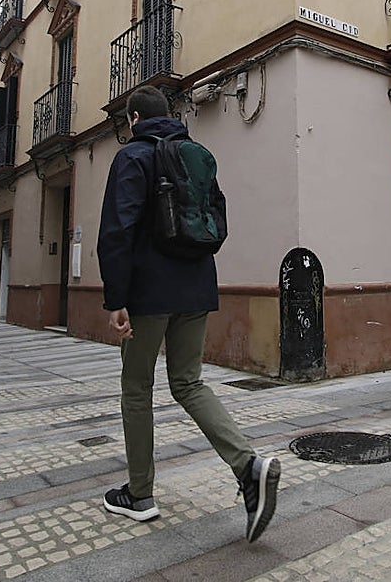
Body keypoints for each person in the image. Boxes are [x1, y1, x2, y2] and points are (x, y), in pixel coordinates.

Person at [96, 85, 280, 543]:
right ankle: (247, 466)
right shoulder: (195, 153)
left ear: (134, 118)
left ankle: (140, 495)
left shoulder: (132, 157)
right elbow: (218, 218)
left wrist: (116, 297)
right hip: (197, 286)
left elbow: (118, 228)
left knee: (137, 387)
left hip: (148, 294)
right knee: (189, 382)